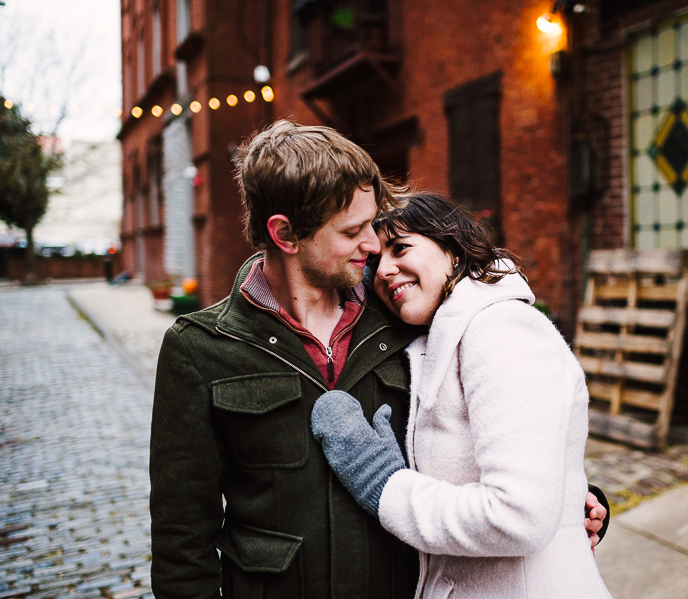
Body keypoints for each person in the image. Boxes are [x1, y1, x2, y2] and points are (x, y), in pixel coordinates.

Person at [149, 121, 606, 599]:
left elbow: (504, 426)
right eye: (353, 231)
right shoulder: (201, 349)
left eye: (373, 224)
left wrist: (571, 500)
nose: (372, 246)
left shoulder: (405, 316)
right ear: (285, 234)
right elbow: (183, 542)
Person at [311, 192, 613, 599]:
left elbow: (518, 515)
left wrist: (382, 483)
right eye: (375, 261)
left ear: (452, 249)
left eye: (401, 248)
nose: (383, 270)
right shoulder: (442, 339)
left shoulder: (502, 329)